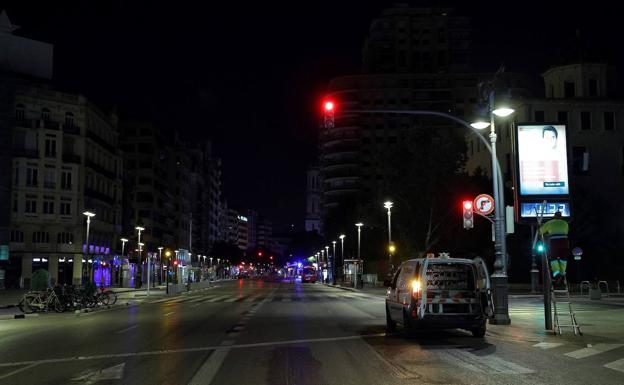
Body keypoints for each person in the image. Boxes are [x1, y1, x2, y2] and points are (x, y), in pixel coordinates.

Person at [539, 211, 569, 284]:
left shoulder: (550, 222)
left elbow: (540, 231)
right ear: (561, 216)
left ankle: (557, 274)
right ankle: (562, 273)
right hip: (564, 242)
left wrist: (541, 227)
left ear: (554, 216)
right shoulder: (565, 223)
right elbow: (566, 231)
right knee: (563, 259)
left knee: (553, 259)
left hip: (554, 242)